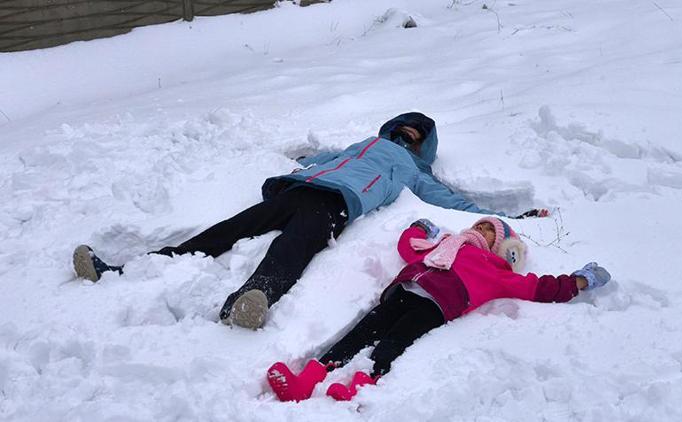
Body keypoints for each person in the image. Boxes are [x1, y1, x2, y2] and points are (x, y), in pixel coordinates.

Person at [73, 112, 523, 330]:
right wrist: (302, 163)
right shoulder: (364, 142)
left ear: (423, 148)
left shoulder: (415, 172)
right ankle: (122, 268)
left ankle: (251, 301)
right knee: (222, 233)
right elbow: (325, 158)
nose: (407, 137)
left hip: (335, 205)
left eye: (415, 137)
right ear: (391, 129)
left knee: (289, 250)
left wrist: (508, 218)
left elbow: (450, 200)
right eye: (404, 129)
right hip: (299, 190)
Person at [266, 217, 611, 402]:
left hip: (438, 304)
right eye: (480, 224)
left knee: (396, 340)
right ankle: (307, 380)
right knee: (361, 333)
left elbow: (538, 287)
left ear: (501, 245)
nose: (481, 229)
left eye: (491, 230)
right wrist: (420, 228)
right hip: (404, 290)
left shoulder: (496, 270)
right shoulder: (440, 246)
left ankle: (359, 383)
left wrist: (579, 281)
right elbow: (408, 247)